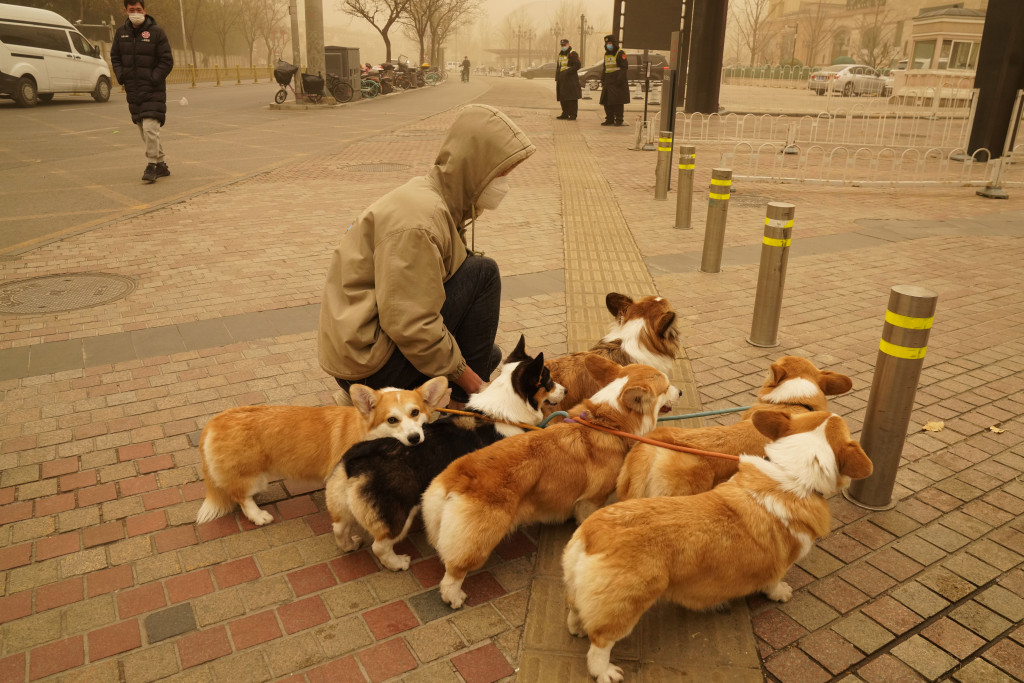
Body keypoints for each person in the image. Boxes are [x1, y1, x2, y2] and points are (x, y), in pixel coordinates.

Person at [318, 105, 536, 408]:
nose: (504, 184)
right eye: (501, 173)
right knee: (482, 272)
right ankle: (461, 408)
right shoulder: (421, 221)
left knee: (489, 355)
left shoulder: (436, 200)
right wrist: (473, 384)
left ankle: (399, 397)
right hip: (368, 363)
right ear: (475, 168)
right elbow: (410, 323)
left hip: (363, 350)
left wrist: (464, 368)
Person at [110, 0, 173, 183]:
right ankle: (161, 164)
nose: (135, 12)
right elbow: (115, 57)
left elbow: (166, 60)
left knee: (150, 128)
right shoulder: (121, 33)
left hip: (153, 89)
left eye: (139, 9)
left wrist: (154, 78)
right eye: (132, 10)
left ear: (144, 10)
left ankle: (151, 165)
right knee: (143, 130)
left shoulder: (156, 32)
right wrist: (121, 75)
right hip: (133, 89)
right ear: (126, 11)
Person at [599, 33, 629, 126]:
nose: (608, 45)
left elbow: (624, 67)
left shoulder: (620, 53)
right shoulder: (607, 54)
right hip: (608, 81)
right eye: (607, 44)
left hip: (617, 81)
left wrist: (619, 79)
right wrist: (602, 79)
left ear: (614, 43)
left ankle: (619, 119)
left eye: (610, 43)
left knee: (617, 102)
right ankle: (609, 119)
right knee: (607, 102)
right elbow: (605, 67)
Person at [555, 38, 582, 120]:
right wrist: (557, 77)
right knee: (563, 97)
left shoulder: (572, 53)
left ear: (568, 45)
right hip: (562, 79)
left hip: (571, 79)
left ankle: (573, 114)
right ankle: (565, 113)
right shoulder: (560, 54)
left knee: (571, 97)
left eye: (565, 45)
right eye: (562, 45)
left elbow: (578, 65)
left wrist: (567, 71)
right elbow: (558, 67)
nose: (563, 46)